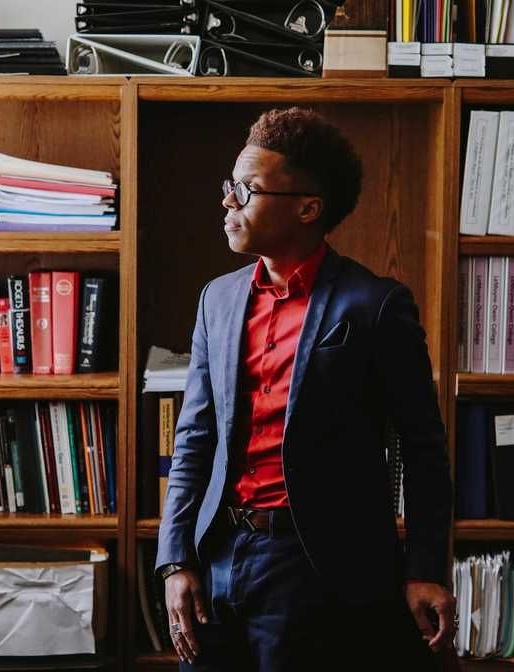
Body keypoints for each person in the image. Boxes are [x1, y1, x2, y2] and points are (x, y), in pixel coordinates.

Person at [155, 106, 454, 672]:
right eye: (229, 187)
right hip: (217, 555)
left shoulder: (374, 306)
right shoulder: (216, 301)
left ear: (308, 208)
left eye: (246, 190)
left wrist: (424, 569)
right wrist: (175, 560)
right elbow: (195, 437)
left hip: (315, 566)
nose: (227, 203)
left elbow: (423, 448)